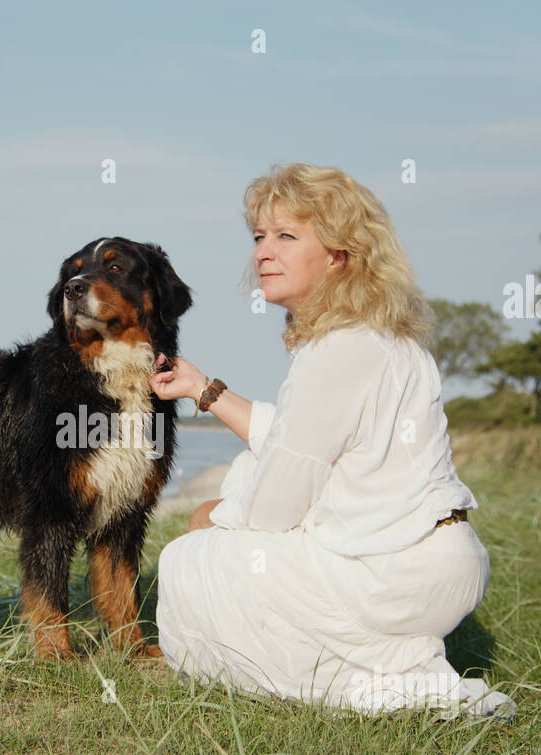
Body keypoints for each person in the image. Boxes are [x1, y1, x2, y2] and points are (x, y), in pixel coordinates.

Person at [147, 163, 515, 720]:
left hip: (392, 571)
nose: (263, 253)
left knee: (186, 559)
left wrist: (214, 515)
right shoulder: (378, 338)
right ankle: (388, 661)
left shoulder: (339, 350)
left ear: (339, 255)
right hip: (436, 562)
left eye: (287, 236)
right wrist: (203, 389)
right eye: (259, 237)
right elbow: (296, 438)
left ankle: (388, 684)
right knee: (229, 530)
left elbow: (277, 502)